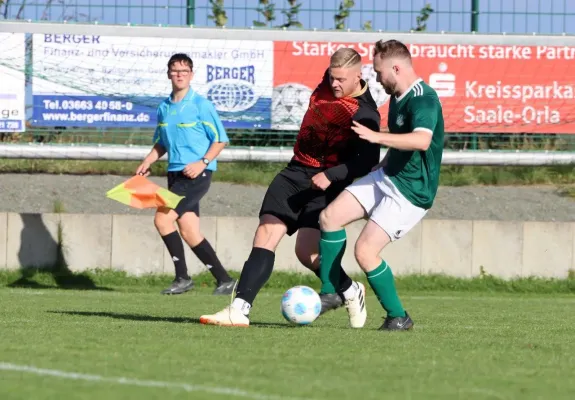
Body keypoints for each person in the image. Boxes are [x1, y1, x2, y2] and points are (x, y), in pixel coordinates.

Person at [199, 47, 382, 327]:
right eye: (332, 77)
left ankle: (349, 289)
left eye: (342, 80)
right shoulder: (327, 83)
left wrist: (332, 175)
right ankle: (239, 309)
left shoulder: (365, 112)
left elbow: (368, 160)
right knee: (266, 232)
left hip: (326, 184)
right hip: (294, 171)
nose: (334, 84)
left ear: (359, 76)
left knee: (307, 254)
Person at [318, 39, 445, 331]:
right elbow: (403, 137)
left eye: (378, 72)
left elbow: (422, 140)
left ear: (396, 68)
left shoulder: (424, 98)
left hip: (410, 192)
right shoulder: (398, 97)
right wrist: (385, 161)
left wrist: (377, 138)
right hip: (388, 175)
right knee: (330, 217)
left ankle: (398, 316)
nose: (376, 77)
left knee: (365, 252)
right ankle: (330, 293)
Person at [136, 53, 236, 296]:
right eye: (175, 70)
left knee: (162, 219)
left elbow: (220, 140)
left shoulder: (201, 105)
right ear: (168, 74)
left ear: (191, 74)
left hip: (195, 176)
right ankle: (224, 280)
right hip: (174, 175)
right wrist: (148, 160)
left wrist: (202, 163)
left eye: (184, 70)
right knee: (190, 230)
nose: (179, 74)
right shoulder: (163, 107)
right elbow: (162, 142)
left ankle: (182, 278)